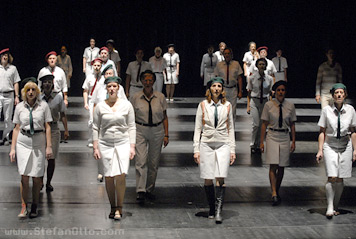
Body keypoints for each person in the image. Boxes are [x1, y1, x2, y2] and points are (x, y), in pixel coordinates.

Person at [193, 77, 236, 224]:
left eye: (219, 86)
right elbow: (198, 128)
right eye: (214, 86)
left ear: (222, 89)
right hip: (207, 143)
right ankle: (212, 207)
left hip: (223, 143)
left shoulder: (228, 106)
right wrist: (196, 149)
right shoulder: (203, 105)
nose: (216, 88)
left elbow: (231, 128)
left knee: (220, 176)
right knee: (207, 177)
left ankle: (218, 211)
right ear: (209, 89)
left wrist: (232, 149)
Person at [92, 76, 136, 220]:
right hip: (105, 143)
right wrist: (96, 147)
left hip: (123, 142)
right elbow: (95, 127)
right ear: (106, 88)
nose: (112, 89)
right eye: (109, 86)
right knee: (109, 176)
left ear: (118, 88)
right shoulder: (100, 106)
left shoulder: (126, 105)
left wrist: (132, 146)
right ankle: (112, 206)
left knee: (121, 174)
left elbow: (131, 126)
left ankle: (120, 207)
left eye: (114, 86)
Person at [9, 78, 53, 218]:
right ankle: (23, 206)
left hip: (38, 141)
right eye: (28, 90)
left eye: (33, 90)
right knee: (24, 175)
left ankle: (35, 205)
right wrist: (13, 148)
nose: (31, 92)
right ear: (24, 92)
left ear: (37, 92)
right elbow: (16, 128)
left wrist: (49, 147)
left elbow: (47, 127)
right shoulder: (20, 107)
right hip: (23, 141)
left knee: (37, 176)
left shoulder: (43, 106)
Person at [316, 83, 356, 218]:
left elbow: (353, 131)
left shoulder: (350, 110)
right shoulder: (326, 111)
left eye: (341, 92)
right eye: (336, 93)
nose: (339, 95)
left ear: (345, 95)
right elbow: (322, 131)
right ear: (333, 95)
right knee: (331, 176)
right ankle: (330, 206)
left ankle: (336, 204)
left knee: (340, 178)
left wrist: (355, 150)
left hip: (345, 144)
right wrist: (320, 150)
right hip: (330, 145)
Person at [131, 70, 169, 202]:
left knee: (153, 162)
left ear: (153, 81)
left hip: (157, 130)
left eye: (150, 80)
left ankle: (149, 189)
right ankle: (140, 190)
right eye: (145, 80)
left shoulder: (160, 97)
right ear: (141, 82)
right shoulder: (135, 97)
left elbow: (165, 117)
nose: (148, 83)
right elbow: (131, 118)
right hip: (140, 129)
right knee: (140, 161)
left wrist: (166, 135)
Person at [260, 81, 296, 206]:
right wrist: (261, 142)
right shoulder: (269, 105)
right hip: (272, 135)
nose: (281, 92)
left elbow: (292, 124)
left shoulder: (290, 106)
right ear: (275, 92)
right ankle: (274, 192)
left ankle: (277, 189)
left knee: (282, 166)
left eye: (283, 90)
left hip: (284, 136)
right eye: (279, 90)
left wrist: (293, 141)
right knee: (273, 165)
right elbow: (264, 124)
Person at [40, 74, 69, 192]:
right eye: (45, 82)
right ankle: (39, 182)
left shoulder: (58, 97)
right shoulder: (38, 97)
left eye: (49, 82)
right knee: (40, 157)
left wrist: (66, 130)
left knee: (51, 157)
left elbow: (63, 114)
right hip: (41, 129)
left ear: (52, 84)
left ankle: (49, 182)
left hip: (53, 128)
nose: (47, 84)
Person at [247, 58, 273, 153]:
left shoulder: (269, 79)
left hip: (265, 102)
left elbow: (270, 93)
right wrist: (248, 105)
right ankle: (253, 143)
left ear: (265, 66)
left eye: (263, 64)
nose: (262, 66)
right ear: (257, 66)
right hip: (255, 101)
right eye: (260, 64)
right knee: (256, 124)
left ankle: (259, 143)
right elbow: (249, 92)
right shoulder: (252, 78)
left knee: (262, 124)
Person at [214, 48, 243, 123]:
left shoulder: (236, 64)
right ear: (223, 55)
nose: (227, 55)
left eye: (228, 53)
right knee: (222, 109)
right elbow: (216, 78)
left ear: (231, 55)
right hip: (223, 89)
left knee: (232, 110)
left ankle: (231, 129)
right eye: (225, 54)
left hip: (233, 89)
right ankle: (223, 128)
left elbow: (239, 78)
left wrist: (240, 91)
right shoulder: (219, 65)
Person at [0, 48, 21, 145]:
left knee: (8, 118)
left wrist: (17, 96)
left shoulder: (13, 69)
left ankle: (6, 137)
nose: (5, 57)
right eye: (3, 55)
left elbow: (16, 82)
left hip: (9, 95)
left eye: (6, 56)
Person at [82, 58, 103, 148]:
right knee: (92, 120)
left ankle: (100, 139)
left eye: (98, 65)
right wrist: (85, 102)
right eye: (95, 65)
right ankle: (91, 139)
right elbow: (85, 90)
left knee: (102, 120)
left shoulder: (103, 77)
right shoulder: (89, 77)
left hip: (101, 101)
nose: (97, 67)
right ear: (92, 66)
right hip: (92, 100)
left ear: (101, 66)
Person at [243, 42, 259, 114]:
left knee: (256, 88)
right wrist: (245, 72)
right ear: (249, 47)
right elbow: (245, 63)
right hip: (249, 72)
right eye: (252, 46)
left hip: (256, 72)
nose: (253, 48)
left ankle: (255, 105)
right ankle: (248, 106)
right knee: (249, 89)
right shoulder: (247, 54)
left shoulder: (257, 53)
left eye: (254, 46)